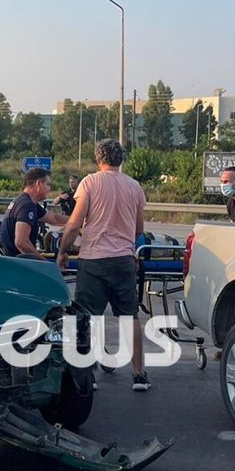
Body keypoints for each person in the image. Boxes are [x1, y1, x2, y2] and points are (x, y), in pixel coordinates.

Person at [57, 140, 150, 391]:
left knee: (88, 318)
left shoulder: (90, 182)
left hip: (94, 260)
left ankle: (88, 375)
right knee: (130, 318)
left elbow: (75, 224)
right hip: (124, 260)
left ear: (99, 159)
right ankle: (139, 374)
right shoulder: (134, 186)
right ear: (121, 160)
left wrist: (63, 251)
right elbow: (139, 230)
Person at [0, 168, 68, 258]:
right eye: (48, 184)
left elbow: (54, 219)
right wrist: (43, 263)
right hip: (14, 262)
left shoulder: (28, 201)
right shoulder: (27, 206)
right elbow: (21, 242)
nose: (49, 188)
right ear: (38, 183)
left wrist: (79, 220)